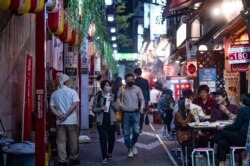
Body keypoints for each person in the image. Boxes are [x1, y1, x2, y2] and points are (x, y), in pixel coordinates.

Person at [49, 74, 80, 166]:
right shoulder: (72, 92)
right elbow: (74, 104)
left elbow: (51, 106)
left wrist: (58, 115)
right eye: (69, 80)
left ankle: (62, 161)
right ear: (67, 82)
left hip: (60, 122)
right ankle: (73, 158)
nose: (71, 82)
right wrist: (66, 115)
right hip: (71, 121)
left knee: (61, 141)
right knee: (73, 140)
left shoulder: (55, 93)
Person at [215, 93, 250, 166]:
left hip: (242, 138)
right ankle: (221, 163)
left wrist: (223, 127)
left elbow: (235, 126)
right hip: (246, 139)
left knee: (220, 132)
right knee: (222, 142)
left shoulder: (243, 110)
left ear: (242, 101)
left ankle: (214, 151)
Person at [117, 73, 145, 158]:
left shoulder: (137, 89)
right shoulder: (122, 89)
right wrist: (121, 106)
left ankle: (133, 144)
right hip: (126, 114)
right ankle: (129, 149)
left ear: (134, 80)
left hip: (136, 113)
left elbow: (142, 99)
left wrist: (142, 108)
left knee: (136, 132)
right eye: (128, 80)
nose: (130, 81)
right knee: (126, 134)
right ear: (125, 80)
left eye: (131, 79)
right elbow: (118, 98)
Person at [92, 80, 117, 164]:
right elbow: (94, 109)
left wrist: (113, 102)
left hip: (112, 121)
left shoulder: (113, 96)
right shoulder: (98, 97)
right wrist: (100, 108)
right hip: (101, 121)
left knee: (111, 139)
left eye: (109, 85)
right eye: (106, 85)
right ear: (102, 87)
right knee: (103, 139)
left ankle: (110, 152)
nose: (108, 87)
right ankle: (104, 156)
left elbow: (117, 108)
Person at [174, 97, 196, 165]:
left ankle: (196, 158)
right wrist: (190, 114)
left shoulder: (189, 112)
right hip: (182, 134)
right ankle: (191, 159)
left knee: (202, 137)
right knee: (193, 140)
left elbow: (194, 122)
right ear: (182, 103)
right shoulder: (178, 113)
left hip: (190, 133)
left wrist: (194, 114)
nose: (189, 103)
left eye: (189, 101)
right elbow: (183, 124)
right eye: (187, 101)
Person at [134, 68, 150, 132]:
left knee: (135, 114)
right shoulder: (145, 81)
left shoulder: (134, 81)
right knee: (142, 114)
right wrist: (148, 100)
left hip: (135, 100)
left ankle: (135, 127)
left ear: (136, 73)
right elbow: (147, 91)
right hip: (144, 100)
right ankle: (140, 128)